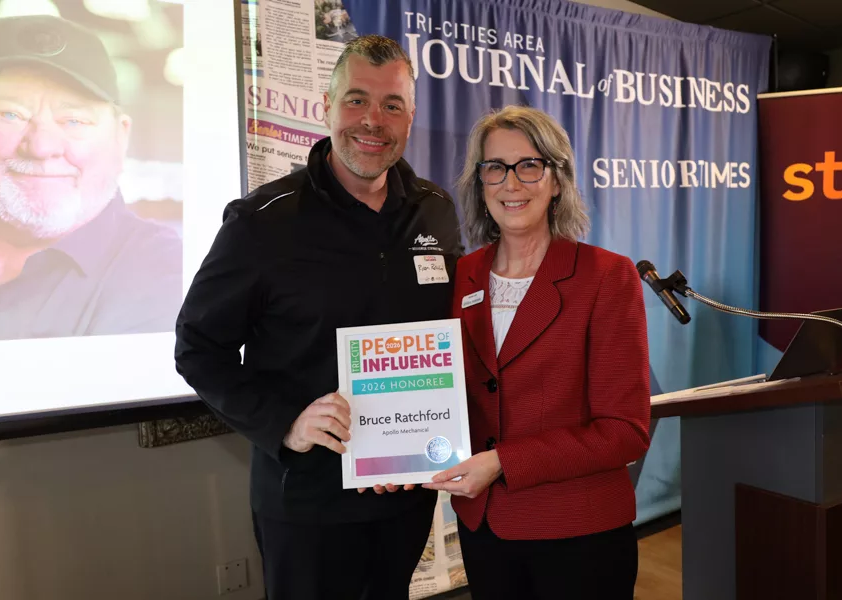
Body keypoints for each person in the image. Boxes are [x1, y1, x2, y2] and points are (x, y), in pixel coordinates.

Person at [174, 35, 462, 600]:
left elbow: (443, 335)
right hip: (307, 502)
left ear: (411, 117)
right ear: (326, 107)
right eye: (356, 100)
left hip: (406, 491)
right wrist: (286, 422)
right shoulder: (264, 221)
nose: (372, 121)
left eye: (392, 105)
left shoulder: (436, 209)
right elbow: (197, 346)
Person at [424, 105, 651, 599]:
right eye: (495, 168)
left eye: (530, 165)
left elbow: (625, 432)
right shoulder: (463, 274)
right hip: (486, 527)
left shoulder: (607, 276)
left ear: (557, 180)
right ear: (480, 184)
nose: (512, 183)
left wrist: (502, 461)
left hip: (578, 531)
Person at [0, 15, 182, 341]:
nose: (41, 147)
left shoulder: (165, 271)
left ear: (120, 137)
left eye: (74, 121)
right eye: (10, 115)